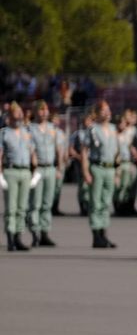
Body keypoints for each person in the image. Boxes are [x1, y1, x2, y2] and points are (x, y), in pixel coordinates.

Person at [81, 100, 119, 248]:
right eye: (103, 110)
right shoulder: (92, 130)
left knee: (106, 202)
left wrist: (117, 172)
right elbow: (84, 152)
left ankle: (104, 233)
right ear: (97, 113)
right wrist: (85, 172)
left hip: (110, 168)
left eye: (108, 109)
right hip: (97, 167)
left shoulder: (113, 129)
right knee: (96, 202)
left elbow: (117, 153)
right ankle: (96, 235)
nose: (107, 112)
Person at [26, 101, 64, 247]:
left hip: (50, 168)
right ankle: (35, 231)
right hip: (38, 169)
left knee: (47, 202)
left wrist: (59, 167)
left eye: (46, 109)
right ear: (35, 112)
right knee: (35, 202)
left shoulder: (52, 128)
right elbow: (29, 149)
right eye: (41, 110)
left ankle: (45, 232)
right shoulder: (30, 129)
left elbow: (58, 149)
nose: (44, 112)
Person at [1, 101, 36, 251]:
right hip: (11, 171)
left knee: (22, 207)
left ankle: (18, 236)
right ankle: (10, 236)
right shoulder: (4, 133)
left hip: (25, 171)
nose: (20, 115)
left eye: (21, 112)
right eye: (17, 112)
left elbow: (32, 153)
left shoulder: (26, 132)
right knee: (11, 207)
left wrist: (36, 170)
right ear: (10, 116)